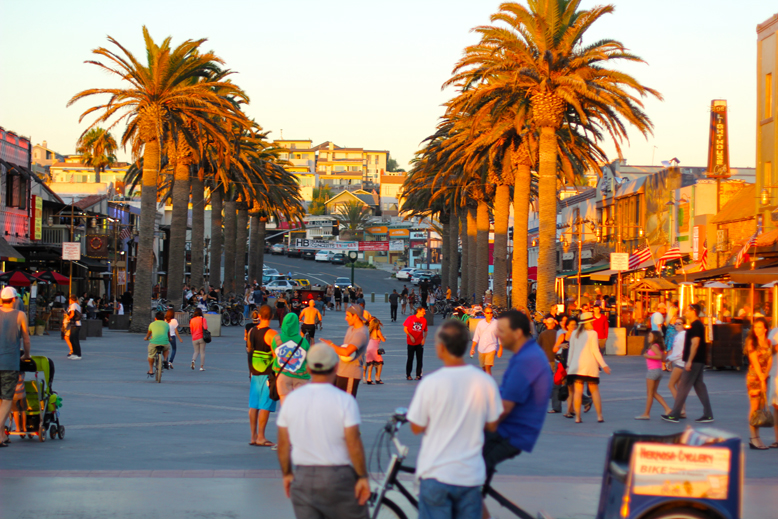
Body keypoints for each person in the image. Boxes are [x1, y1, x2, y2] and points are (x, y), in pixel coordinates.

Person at [407, 319, 503, 519]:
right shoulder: (485, 382)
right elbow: (493, 423)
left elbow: (416, 426)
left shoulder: (430, 383)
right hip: (469, 476)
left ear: (441, 348)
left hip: (435, 473)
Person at [276, 343, 370, 519]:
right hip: (338, 478)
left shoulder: (292, 400)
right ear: (336, 366)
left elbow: (283, 443)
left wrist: (288, 474)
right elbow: (353, 442)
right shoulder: (344, 400)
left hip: (303, 478)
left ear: (309, 368)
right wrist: (362, 476)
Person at [481, 310, 552, 518]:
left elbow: (504, 408)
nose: (498, 336)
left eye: (502, 332)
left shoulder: (527, 361)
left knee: (466, 484)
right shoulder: (526, 355)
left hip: (509, 434)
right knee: (469, 485)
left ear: (518, 333)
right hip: (508, 430)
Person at [662, 304, 714, 423]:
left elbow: (695, 343)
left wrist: (689, 361)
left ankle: (675, 414)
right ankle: (708, 414)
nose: (685, 311)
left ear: (694, 312)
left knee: (683, 387)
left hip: (694, 361)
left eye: (687, 309)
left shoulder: (696, 326)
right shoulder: (696, 325)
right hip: (698, 360)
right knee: (699, 386)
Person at [0, 286, 31, 447]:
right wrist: (26, 355)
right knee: (6, 400)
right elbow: (26, 339)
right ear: (14, 299)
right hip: (9, 363)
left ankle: (2, 436)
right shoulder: (20, 315)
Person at [567, 312, 611, 423]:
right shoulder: (592, 333)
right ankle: (599, 416)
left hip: (576, 365)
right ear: (589, 323)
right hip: (590, 365)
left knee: (578, 391)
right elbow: (595, 351)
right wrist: (604, 365)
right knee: (594, 391)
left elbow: (571, 351)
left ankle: (577, 417)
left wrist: (568, 365)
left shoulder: (574, 333)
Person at [322, 305, 369, 397]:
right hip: (341, 372)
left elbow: (347, 352)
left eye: (348, 315)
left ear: (355, 316)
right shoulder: (351, 329)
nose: (345, 318)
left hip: (350, 374)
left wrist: (331, 345)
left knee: (345, 405)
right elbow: (343, 349)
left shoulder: (361, 333)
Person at [247, 306, 277, 447]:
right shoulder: (272, 334)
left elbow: (249, 349)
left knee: (254, 405)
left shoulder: (252, 331)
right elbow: (277, 355)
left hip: (254, 372)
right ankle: (261, 437)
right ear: (271, 316)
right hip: (267, 373)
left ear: (259, 315)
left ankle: (253, 436)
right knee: (265, 404)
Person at [744, 317, 772, 449]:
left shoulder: (768, 342)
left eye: (759, 327)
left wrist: (766, 376)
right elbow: (754, 361)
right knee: (754, 408)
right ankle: (753, 438)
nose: (756, 330)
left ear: (765, 329)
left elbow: (771, 360)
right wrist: (762, 379)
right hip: (755, 377)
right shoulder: (751, 342)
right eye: (755, 327)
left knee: (760, 409)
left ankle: (757, 437)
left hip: (764, 377)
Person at [272, 313, 311, 404]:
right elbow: (308, 359)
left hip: (282, 375)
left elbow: (275, 355)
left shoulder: (276, 338)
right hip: (301, 376)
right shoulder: (303, 341)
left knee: (285, 406)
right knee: (300, 406)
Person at [635, 331, 672, 420]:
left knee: (650, 393)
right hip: (658, 370)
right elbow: (663, 359)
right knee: (654, 392)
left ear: (655, 337)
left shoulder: (654, 346)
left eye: (650, 336)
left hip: (652, 371)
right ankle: (667, 409)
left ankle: (646, 413)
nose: (648, 337)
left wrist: (648, 356)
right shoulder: (659, 347)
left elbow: (659, 357)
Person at [469, 306, 502, 375]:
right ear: (484, 314)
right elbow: (476, 336)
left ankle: (489, 384)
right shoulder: (480, 323)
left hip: (491, 347)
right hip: (481, 348)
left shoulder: (496, 323)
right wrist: (472, 348)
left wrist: (500, 349)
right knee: (483, 368)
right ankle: (486, 382)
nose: (489, 314)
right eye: (488, 313)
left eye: (491, 313)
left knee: (487, 366)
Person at [666, 319, 687, 418]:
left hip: (680, 363)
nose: (677, 325)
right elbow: (675, 350)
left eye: (679, 323)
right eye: (676, 323)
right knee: (679, 387)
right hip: (677, 362)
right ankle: (682, 410)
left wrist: (670, 358)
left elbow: (682, 352)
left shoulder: (684, 335)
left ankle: (679, 408)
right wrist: (670, 359)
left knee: (670, 385)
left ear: (684, 325)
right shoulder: (678, 335)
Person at [404, 306, 428, 381]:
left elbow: (425, 330)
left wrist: (424, 338)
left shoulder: (424, 320)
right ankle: (408, 375)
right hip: (411, 341)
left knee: (419, 359)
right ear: (419, 311)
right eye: (423, 311)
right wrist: (410, 336)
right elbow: (405, 328)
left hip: (419, 342)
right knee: (410, 358)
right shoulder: (410, 318)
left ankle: (418, 375)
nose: (424, 313)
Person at [364, 317, 386, 385]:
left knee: (370, 364)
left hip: (368, 348)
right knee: (380, 363)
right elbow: (383, 340)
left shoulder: (369, 331)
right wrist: (383, 337)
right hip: (374, 349)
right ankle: (377, 378)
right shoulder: (377, 331)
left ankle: (369, 379)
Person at [64, 294, 82, 360]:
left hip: (75, 324)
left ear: (71, 299)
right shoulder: (77, 305)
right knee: (72, 338)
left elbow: (72, 314)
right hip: (76, 324)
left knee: (74, 339)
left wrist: (68, 318)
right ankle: (74, 353)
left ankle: (78, 354)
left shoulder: (73, 305)